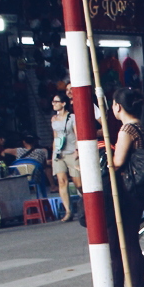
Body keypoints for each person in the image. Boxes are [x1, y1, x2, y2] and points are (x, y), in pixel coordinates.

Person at [107, 87, 144, 287]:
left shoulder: (127, 129)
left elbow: (117, 162)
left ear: (117, 106)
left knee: (127, 240)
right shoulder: (139, 125)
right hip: (136, 190)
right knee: (122, 239)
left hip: (127, 191)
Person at [50, 93, 81, 221]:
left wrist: (77, 150)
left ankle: (87, 202)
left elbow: (77, 134)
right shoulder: (53, 119)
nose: (54, 104)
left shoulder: (72, 117)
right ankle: (68, 211)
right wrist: (53, 153)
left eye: (56, 101)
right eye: (53, 101)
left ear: (63, 103)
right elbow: (55, 137)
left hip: (71, 152)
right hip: (59, 153)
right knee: (62, 181)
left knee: (78, 183)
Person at [2, 132, 50, 196]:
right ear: (35, 141)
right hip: (36, 177)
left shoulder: (18, 151)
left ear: (24, 142)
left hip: (20, 177)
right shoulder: (42, 151)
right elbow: (44, 165)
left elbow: (4, 151)